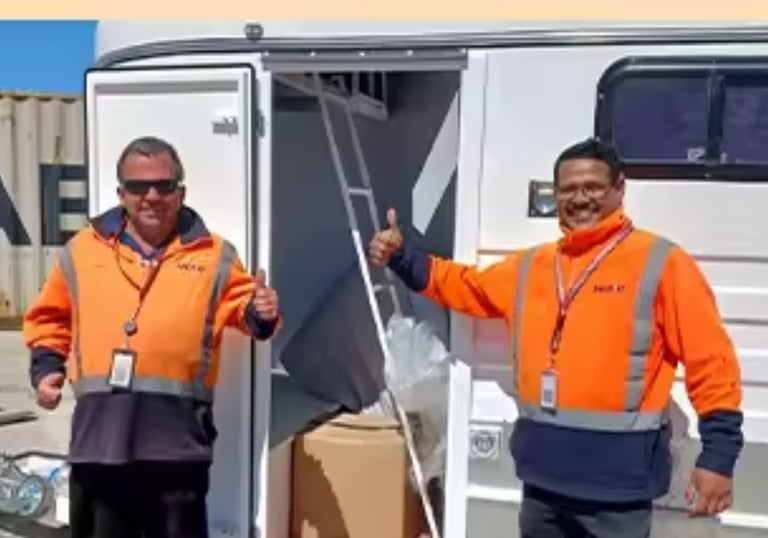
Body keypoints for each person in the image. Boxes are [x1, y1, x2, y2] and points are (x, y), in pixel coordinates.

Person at [369, 138, 743, 537]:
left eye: (593, 187)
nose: (580, 199)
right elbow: (465, 286)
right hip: (542, 485)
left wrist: (718, 458)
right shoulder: (533, 266)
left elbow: (711, 361)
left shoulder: (662, 263)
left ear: (619, 189)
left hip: (618, 492)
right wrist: (401, 256)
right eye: (568, 189)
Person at [23, 136, 281, 538]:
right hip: (100, 445)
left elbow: (248, 315)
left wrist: (261, 312)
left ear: (181, 193)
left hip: (177, 448)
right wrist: (46, 369)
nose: (152, 196)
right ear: (121, 194)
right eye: (138, 186)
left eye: (164, 185)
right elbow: (50, 316)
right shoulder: (82, 250)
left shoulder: (215, 255)